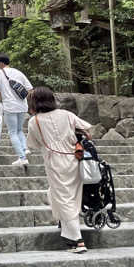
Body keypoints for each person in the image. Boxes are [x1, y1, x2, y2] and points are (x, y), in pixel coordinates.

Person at [25, 87, 92, 253]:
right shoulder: (66, 114)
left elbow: (32, 144)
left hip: (54, 161)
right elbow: (86, 127)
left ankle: (78, 240)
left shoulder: (35, 121)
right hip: (75, 159)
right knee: (69, 195)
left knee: (64, 198)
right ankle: (65, 227)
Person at [0, 54, 33, 169]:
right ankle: (25, 149)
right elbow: (30, 89)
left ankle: (22, 158)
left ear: (0, 63)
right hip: (22, 106)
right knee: (19, 130)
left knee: (12, 132)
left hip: (9, 106)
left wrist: (1, 100)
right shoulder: (19, 72)